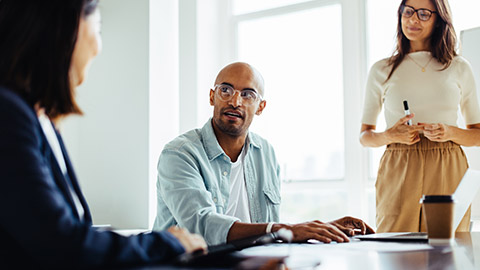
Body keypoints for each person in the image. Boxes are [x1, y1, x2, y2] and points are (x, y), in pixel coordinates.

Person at [0, 0, 206, 268]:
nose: (98, 47)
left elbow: (71, 233)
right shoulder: (9, 112)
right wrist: (168, 242)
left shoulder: (41, 119)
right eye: (97, 29)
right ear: (67, 31)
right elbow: (61, 243)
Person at [153, 62, 374, 245]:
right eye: (225, 90)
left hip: (253, 261)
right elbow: (200, 228)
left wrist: (321, 228)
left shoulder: (265, 152)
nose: (235, 101)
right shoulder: (179, 154)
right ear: (212, 96)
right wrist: (287, 229)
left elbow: (266, 227)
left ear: (260, 107)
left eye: (248, 94)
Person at [360, 0, 480, 233]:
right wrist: (390, 135)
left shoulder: (459, 67)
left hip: (448, 162)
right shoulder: (381, 69)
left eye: (424, 14)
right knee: (396, 253)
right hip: (398, 162)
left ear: (438, 20)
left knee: (447, 252)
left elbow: (478, 135)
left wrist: (450, 132)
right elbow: (365, 136)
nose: (413, 19)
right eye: (408, 11)